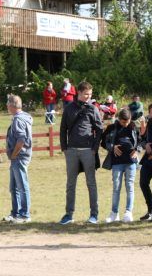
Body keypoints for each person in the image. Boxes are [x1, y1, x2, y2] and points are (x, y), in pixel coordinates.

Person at [59, 81, 103, 225]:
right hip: (71, 150)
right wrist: (64, 148)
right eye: (86, 94)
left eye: (90, 94)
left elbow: (99, 129)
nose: (88, 97)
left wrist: (95, 148)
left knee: (91, 183)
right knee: (70, 184)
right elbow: (63, 129)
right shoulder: (69, 108)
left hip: (88, 151)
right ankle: (69, 214)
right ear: (78, 92)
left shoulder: (93, 109)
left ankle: (94, 214)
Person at [101, 109, 139, 223]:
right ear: (118, 119)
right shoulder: (111, 128)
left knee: (130, 187)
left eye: (127, 122)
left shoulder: (133, 127)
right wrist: (112, 147)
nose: (125, 124)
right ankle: (114, 213)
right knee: (116, 188)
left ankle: (128, 212)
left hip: (131, 162)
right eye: (123, 122)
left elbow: (141, 141)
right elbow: (103, 142)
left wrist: (137, 150)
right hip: (117, 162)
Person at [3, 95, 33, 223]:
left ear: (11, 105)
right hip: (18, 157)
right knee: (14, 186)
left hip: (19, 157)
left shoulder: (18, 120)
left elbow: (21, 140)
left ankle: (25, 215)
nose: (6, 106)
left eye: (7, 104)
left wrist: (14, 154)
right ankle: (15, 213)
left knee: (22, 186)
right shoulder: (23, 116)